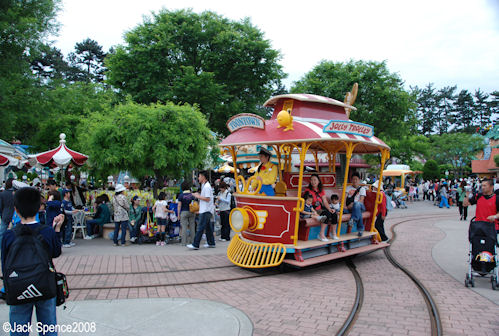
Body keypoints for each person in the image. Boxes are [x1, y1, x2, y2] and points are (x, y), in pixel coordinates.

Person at [1, 187, 64, 335]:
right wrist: (57, 229)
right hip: (44, 284)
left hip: (18, 287)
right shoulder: (47, 231)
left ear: (16, 209)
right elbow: (56, 252)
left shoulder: (9, 235)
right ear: (38, 208)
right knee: (48, 327)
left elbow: (5, 264)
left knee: (18, 329)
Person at [303, 174, 337, 241]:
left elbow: (325, 201)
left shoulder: (321, 190)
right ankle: (321, 234)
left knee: (334, 214)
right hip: (313, 210)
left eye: (315, 180)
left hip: (320, 209)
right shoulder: (307, 191)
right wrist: (313, 211)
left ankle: (333, 233)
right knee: (327, 214)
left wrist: (330, 209)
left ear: (318, 181)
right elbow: (306, 203)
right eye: (311, 180)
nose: (313, 181)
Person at [187, 171, 216, 250]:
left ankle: (195, 244)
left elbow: (207, 199)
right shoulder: (204, 185)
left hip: (206, 210)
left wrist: (197, 196)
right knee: (208, 227)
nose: (198, 178)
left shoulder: (206, 187)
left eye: (199, 176)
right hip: (206, 209)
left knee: (200, 228)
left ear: (203, 177)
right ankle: (211, 243)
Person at [345, 172, 367, 237]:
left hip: (360, 206)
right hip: (350, 207)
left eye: (356, 179)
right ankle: (360, 229)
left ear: (359, 180)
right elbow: (344, 198)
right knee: (358, 212)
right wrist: (345, 206)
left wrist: (353, 204)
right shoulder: (348, 188)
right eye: (353, 179)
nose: (354, 181)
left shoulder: (362, 189)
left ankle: (353, 219)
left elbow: (361, 200)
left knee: (357, 204)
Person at [178, 181, 196, 245]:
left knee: (184, 227)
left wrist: (178, 214)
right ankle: (193, 241)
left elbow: (179, 205)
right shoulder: (192, 195)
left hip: (183, 212)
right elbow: (194, 204)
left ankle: (184, 242)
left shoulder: (181, 196)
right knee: (192, 227)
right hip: (192, 211)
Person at [0, 177, 15, 245]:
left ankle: (2, 247)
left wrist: (1, 214)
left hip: (5, 214)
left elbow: (1, 206)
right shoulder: (16, 193)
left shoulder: (3, 193)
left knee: (2, 234)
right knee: (15, 233)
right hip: (15, 215)